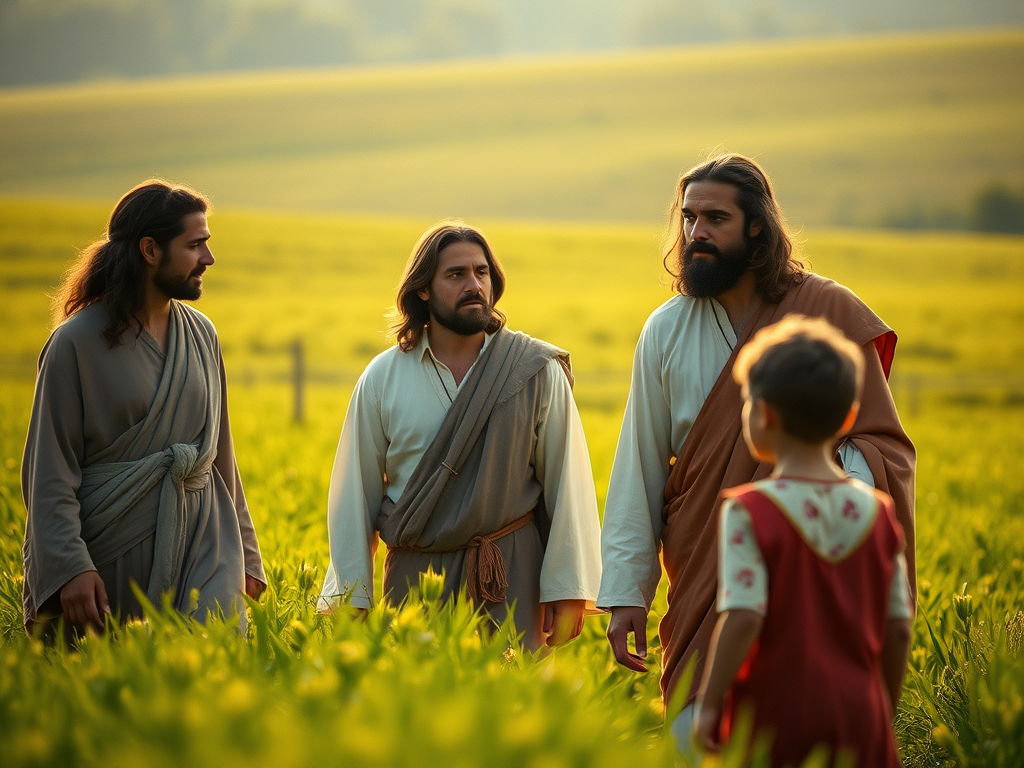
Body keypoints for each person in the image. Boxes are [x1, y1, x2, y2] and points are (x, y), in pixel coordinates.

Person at [597, 154, 916, 747]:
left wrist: (804, 498)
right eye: (688, 218)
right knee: (705, 730)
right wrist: (624, 594)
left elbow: (883, 447)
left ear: (756, 227)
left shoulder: (830, 313)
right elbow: (638, 465)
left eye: (715, 218)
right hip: (700, 572)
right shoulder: (664, 329)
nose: (696, 233)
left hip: (816, 579)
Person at [318, 221, 601, 650]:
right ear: (424, 289)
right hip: (416, 580)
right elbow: (354, 492)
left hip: (508, 573)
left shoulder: (535, 370)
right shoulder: (383, 377)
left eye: (481, 272)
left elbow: (569, 484)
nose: (474, 285)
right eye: (456, 275)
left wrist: (568, 587)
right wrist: (352, 596)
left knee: (516, 709)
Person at [21, 180, 267, 637]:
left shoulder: (202, 335)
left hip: (206, 547)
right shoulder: (75, 344)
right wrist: (70, 568)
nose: (208, 260)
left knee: (214, 677)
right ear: (150, 250)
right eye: (195, 245)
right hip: (109, 560)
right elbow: (49, 472)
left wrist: (247, 553)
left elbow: (221, 455)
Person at [693, 315, 913, 766]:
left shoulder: (749, 511)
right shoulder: (879, 514)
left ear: (765, 415)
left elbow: (743, 617)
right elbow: (898, 625)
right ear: (849, 416)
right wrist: (882, 709)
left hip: (773, 716)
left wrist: (710, 703)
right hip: (859, 714)